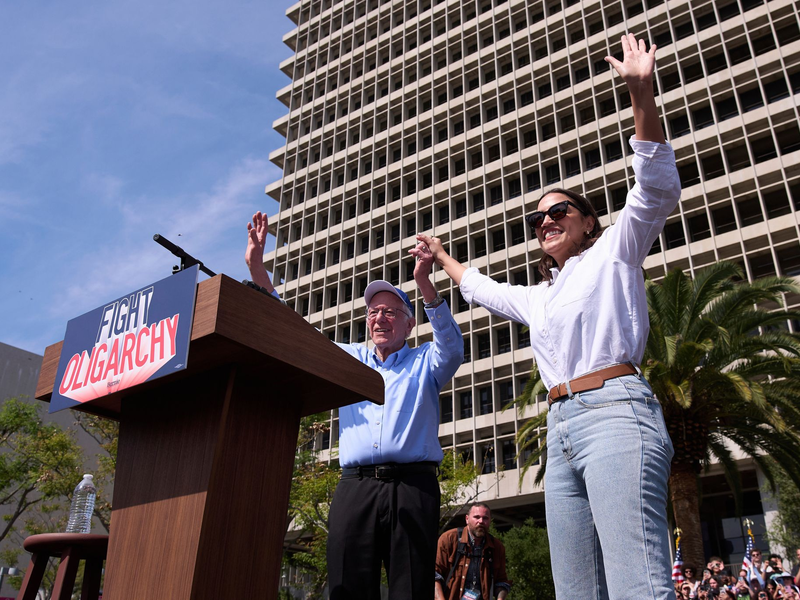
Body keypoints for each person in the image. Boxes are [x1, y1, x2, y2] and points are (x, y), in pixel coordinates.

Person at [416, 33, 680, 600]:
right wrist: (440, 258)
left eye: (558, 211)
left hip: (616, 415)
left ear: (587, 221)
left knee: (637, 580)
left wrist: (641, 95)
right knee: (575, 589)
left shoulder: (614, 253)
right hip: (559, 431)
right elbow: (483, 289)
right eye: (538, 220)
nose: (546, 222)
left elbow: (655, 190)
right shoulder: (539, 297)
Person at [245, 212, 464, 599]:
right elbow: (295, 332)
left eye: (391, 311)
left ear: (409, 323)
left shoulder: (426, 361)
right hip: (356, 488)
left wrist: (424, 284)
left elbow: (453, 346)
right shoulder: (348, 359)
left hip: (413, 486)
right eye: (373, 312)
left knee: (410, 589)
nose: (380, 318)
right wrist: (257, 269)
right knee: (346, 586)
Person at [434, 503, 511, 600]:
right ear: (467, 519)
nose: (481, 521)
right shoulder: (449, 539)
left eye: (485, 518)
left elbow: (501, 582)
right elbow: (435, 575)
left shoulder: (497, 547)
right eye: (476, 517)